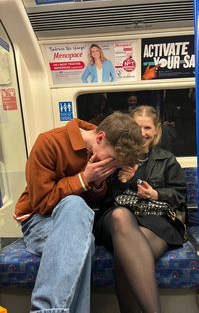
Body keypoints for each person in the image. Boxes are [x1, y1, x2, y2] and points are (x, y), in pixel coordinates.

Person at [14, 112, 144, 313]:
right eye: (111, 160)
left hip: (76, 219)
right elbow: (41, 203)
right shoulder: (49, 142)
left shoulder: (102, 154)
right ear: (100, 138)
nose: (111, 166)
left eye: (115, 165)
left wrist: (97, 184)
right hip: (38, 219)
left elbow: (92, 203)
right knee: (75, 209)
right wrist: (83, 179)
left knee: (84, 237)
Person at [95, 105, 187, 313]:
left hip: (155, 218)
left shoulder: (167, 160)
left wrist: (156, 194)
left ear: (156, 130)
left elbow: (180, 195)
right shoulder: (113, 157)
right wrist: (121, 182)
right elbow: (103, 197)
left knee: (126, 255)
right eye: (138, 127)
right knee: (120, 216)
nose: (143, 133)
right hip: (117, 219)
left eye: (148, 128)